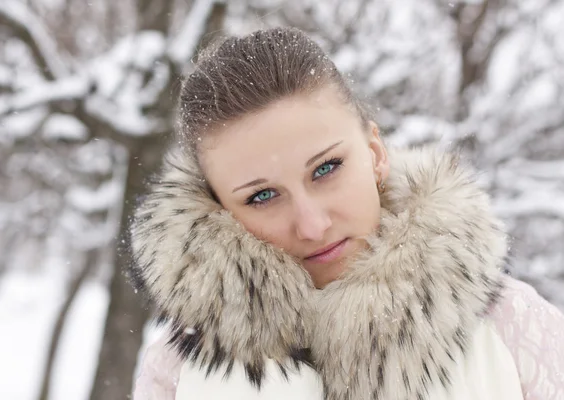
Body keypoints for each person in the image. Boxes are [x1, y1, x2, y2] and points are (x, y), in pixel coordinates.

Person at [129, 27, 564, 400]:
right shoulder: (179, 375)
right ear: (217, 210)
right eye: (262, 196)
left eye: (326, 168)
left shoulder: (513, 330)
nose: (312, 224)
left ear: (375, 154)